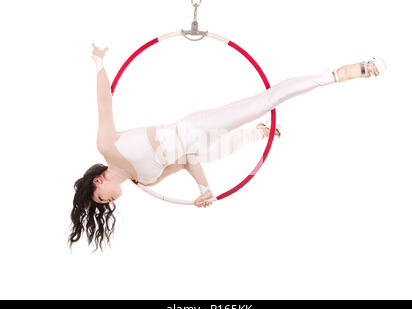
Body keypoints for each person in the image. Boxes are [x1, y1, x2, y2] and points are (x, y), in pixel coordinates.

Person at [68, 42, 385, 250]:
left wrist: (98, 62)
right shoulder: (147, 180)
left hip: (195, 127)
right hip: (198, 146)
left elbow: (104, 101)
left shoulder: (107, 147)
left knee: (268, 100)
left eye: (100, 197)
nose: (108, 201)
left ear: (97, 181)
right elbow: (188, 161)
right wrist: (204, 190)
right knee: (213, 152)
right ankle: (261, 134)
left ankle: (334, 74)